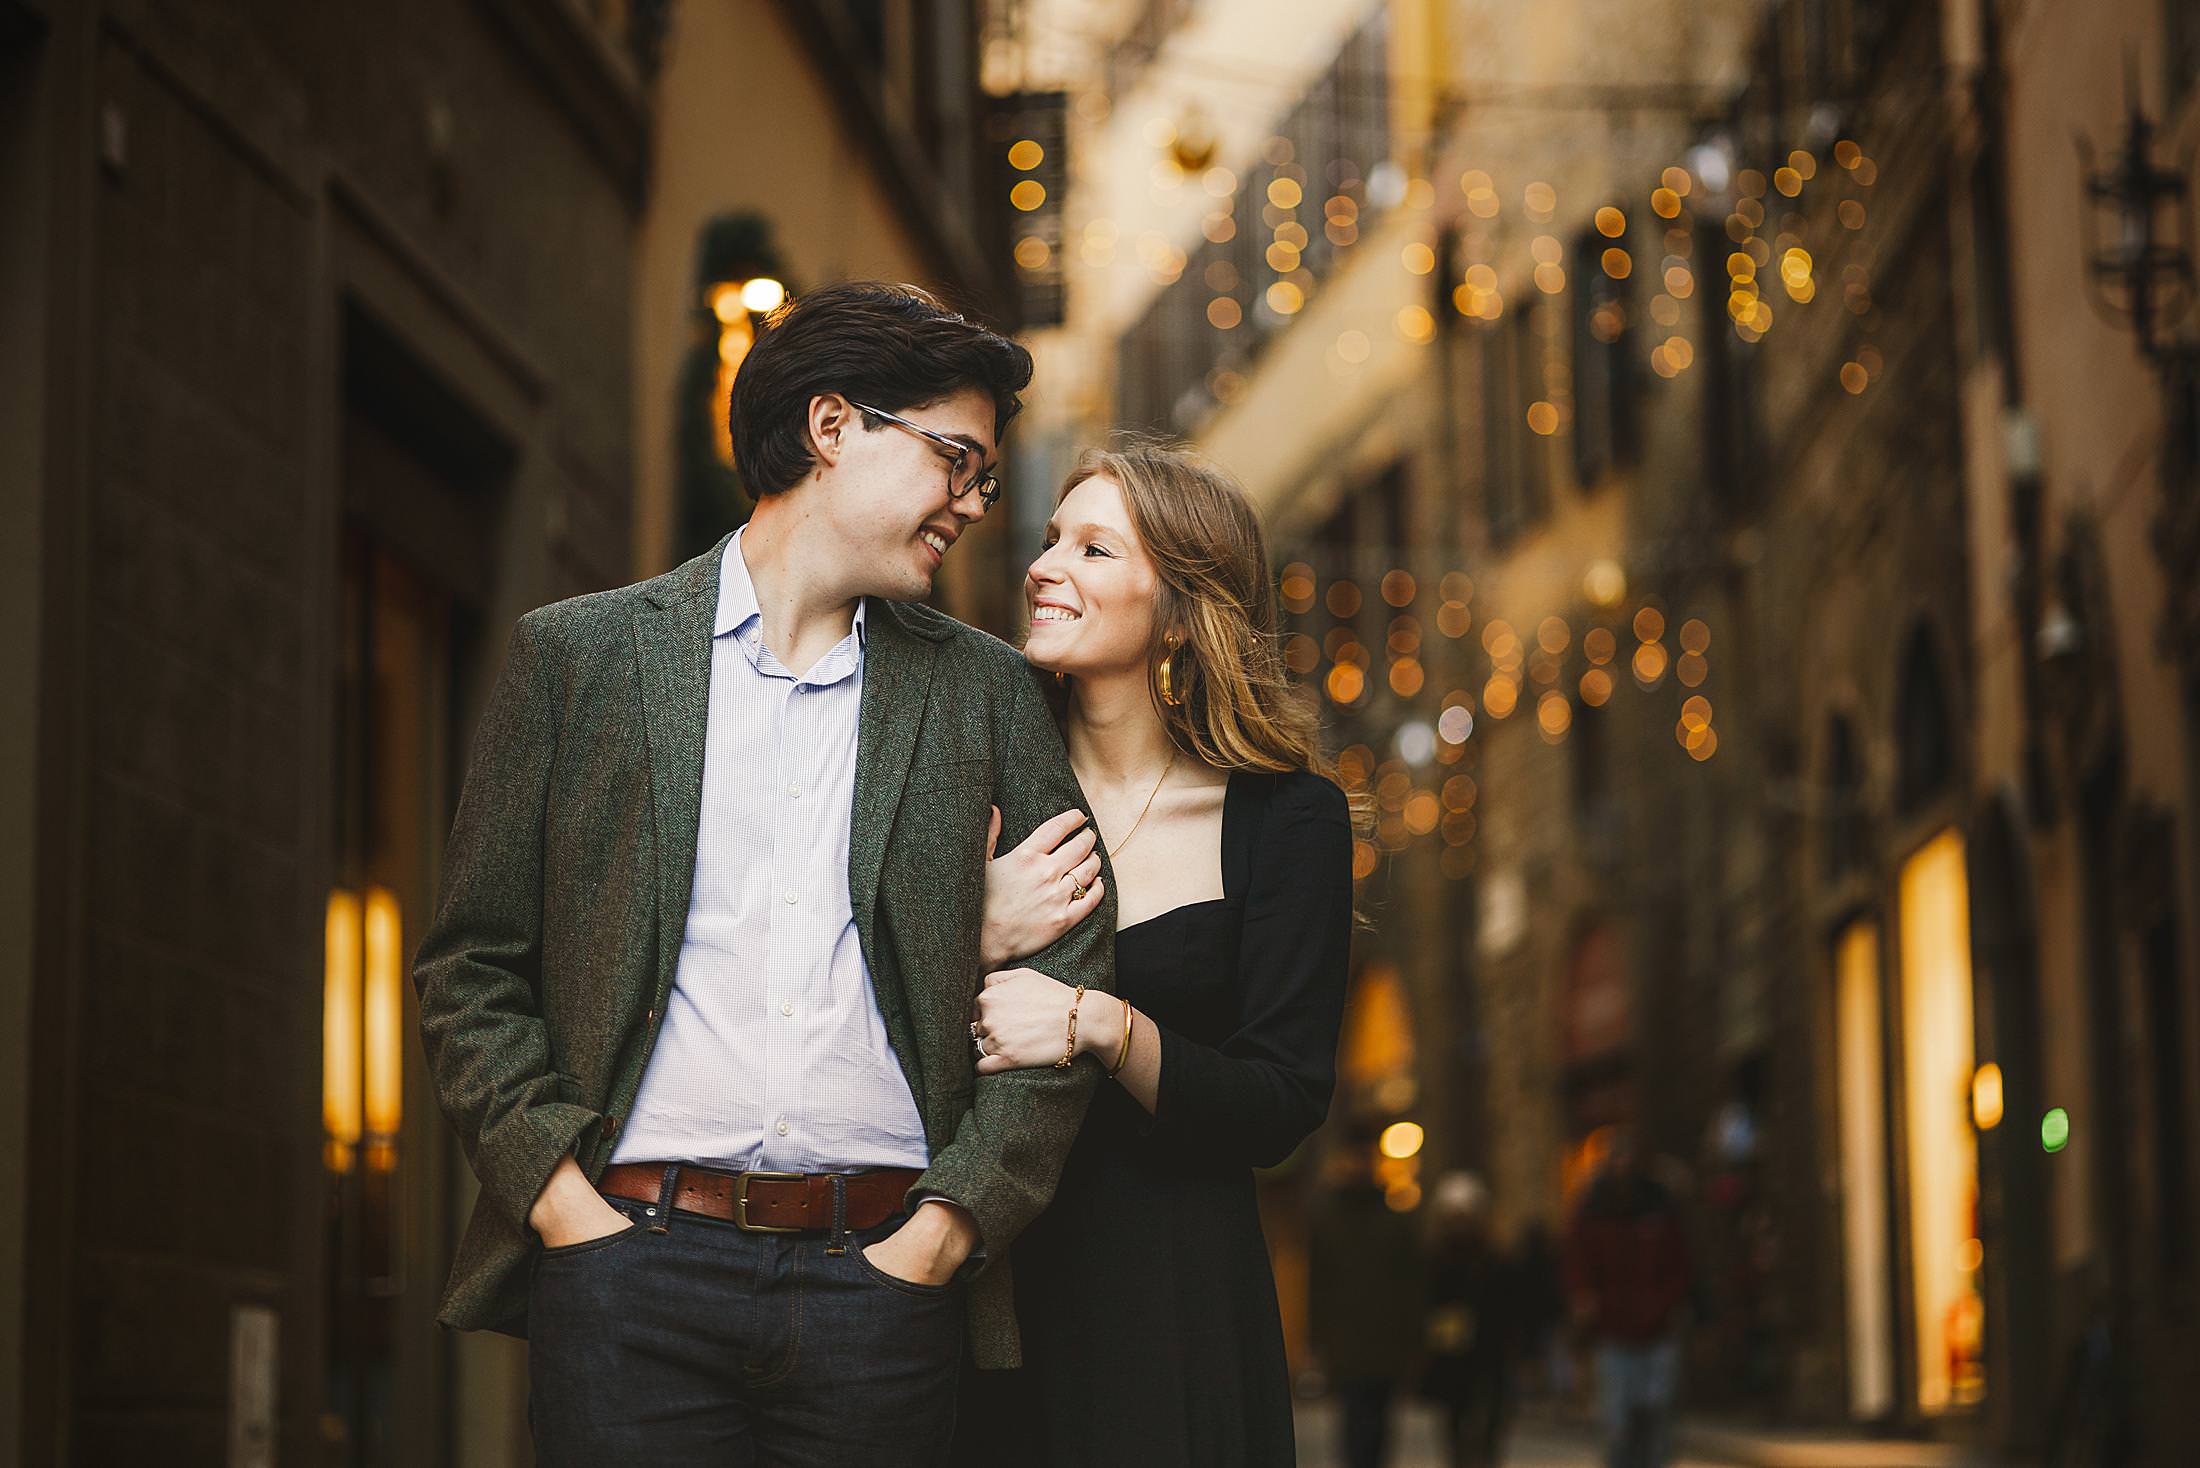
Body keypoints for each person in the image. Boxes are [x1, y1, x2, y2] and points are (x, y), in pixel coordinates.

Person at [411, 281, 1116, 1466]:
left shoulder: (984, 691)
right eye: (955, 459)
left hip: (883, 1285)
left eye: (985, 477)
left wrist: (951, 1224)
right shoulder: (579, 659)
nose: (972, 504)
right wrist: (561, 1202)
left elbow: (1069, 969)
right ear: (833, 426)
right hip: (627, 1270)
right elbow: (471, 965)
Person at [952, 442, 1355, 1467]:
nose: (1046, 566)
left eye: (1093, 548)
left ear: (1179, 608)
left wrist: (1098, 1024)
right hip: (988, 1290)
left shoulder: (1286, 817)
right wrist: (977, 931)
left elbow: (1279, 1102)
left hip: (1176, 1309)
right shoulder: (974, 788)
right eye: (1050, 542)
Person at [1565, 1128, 1694, 1468]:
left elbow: (1678, 1263)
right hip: (1614, 1330)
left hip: (1656, 1328)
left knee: (1658, 1414)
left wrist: (1668, 1303)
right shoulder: (1593, 1211)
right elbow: (1580, 1265)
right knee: (1618, 1421)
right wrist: (1586, 1300)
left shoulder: (1658, 1208)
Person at [1308, 1133, 1427, 1468]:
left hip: (1386, 1343)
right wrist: (1318, 1340)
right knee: (1355, 1425)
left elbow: (1411, 1285)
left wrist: (1413, 1341)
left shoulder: (1396, 1222)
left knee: (1378, 1428)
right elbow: (1319, 1286)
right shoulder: (1328, 1220)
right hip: (1346, 1344)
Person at [1420, 1173, 1518, 1468]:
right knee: (1455, 1424)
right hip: (1451, 1355)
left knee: (1490, 1424)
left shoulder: (1494, 1260)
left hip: (1491, 1353)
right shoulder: (1436, 1260)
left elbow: (1508, 1306)